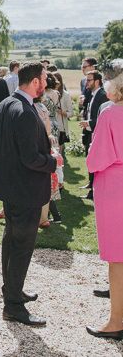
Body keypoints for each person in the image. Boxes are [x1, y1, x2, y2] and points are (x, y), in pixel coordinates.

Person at [0, 61, 57, 326]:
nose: (46, 82)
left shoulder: (7, 104)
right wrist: (53, 162)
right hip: (24, 188)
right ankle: (14, 306)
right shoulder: (25, 111)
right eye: (44, 78)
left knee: (11, 240)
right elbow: (30, 158)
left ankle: (12, 291)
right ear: (36, 81)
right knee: (21, 247)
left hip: (11, 186)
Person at [86, 60, 123, 339]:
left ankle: (116, 321)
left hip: (114, 186)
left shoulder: (110, 114)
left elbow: (95, 160)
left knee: (117, 258)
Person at [82, 70, 107, 199]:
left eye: (89, 80)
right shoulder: (93, 94)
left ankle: (93, 191)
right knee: (89, 159)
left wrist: (89, 123)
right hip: (90, 132)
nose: (86, 82)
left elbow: (104, 117)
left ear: (97, 81)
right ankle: (91, 185)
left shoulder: (102, 95)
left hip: (97, 133)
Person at [52, 71, 73, 150]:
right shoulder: (46, 94)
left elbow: (71, 113)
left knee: (59, 152)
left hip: (61, 127)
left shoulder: (65, 94)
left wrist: (62, 112)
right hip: (50, 127)